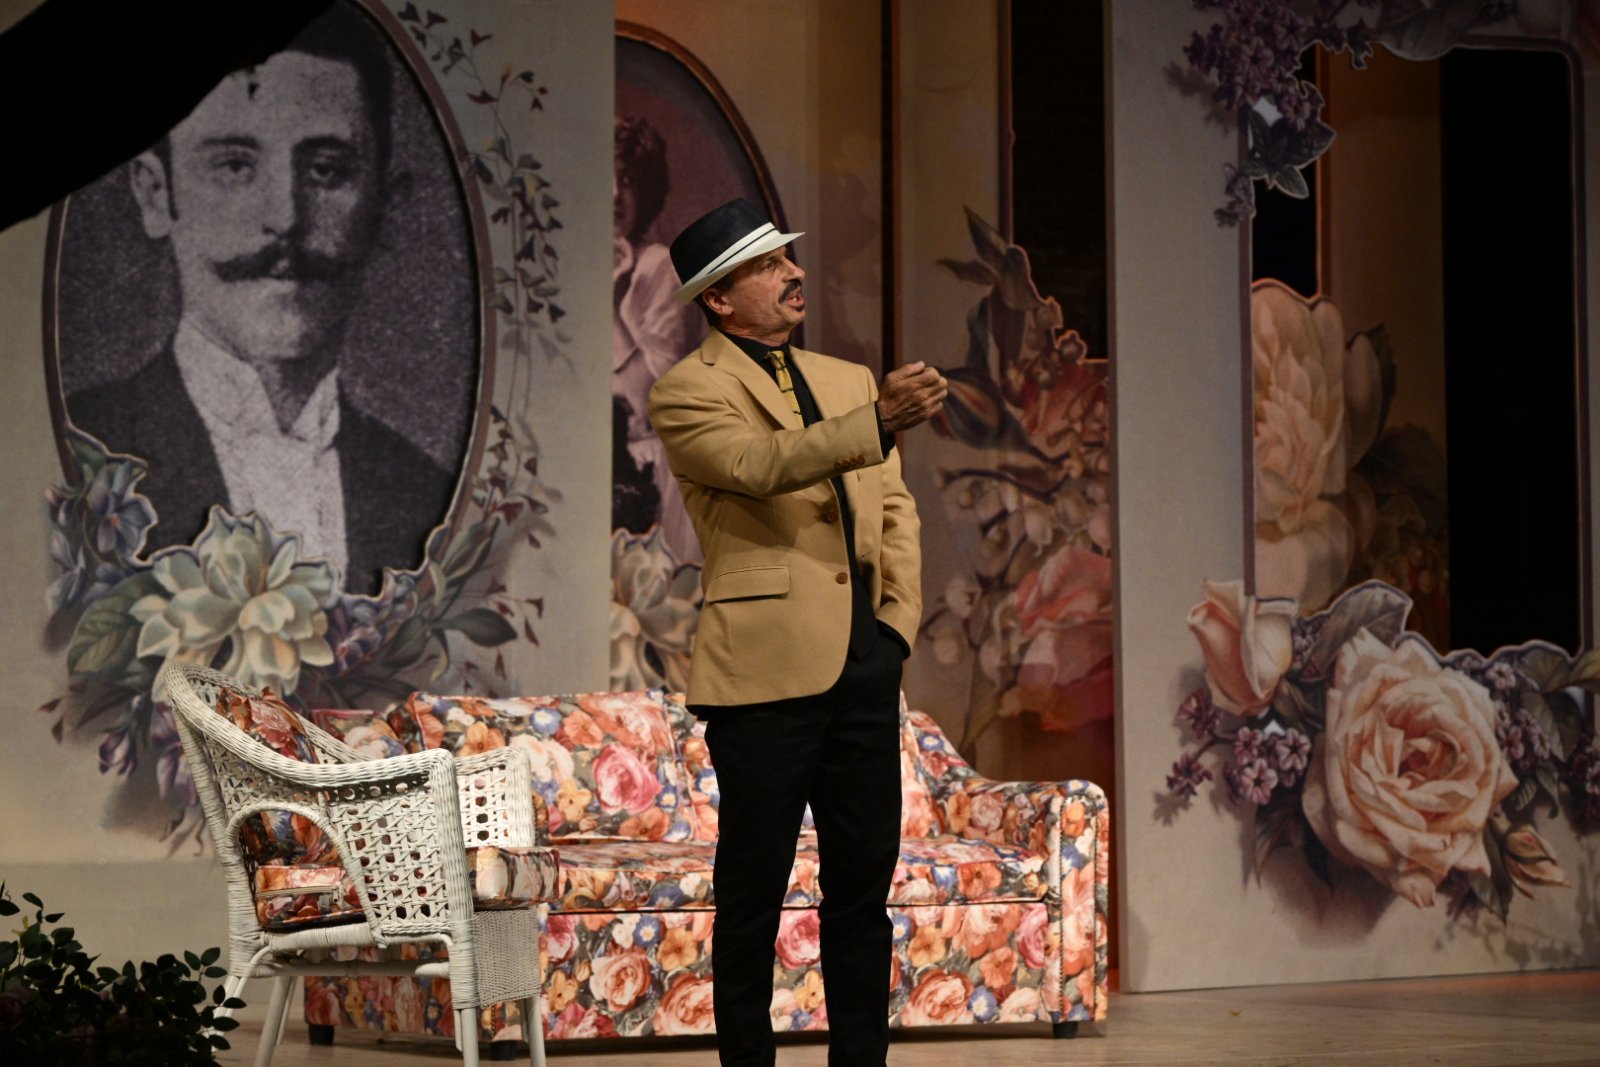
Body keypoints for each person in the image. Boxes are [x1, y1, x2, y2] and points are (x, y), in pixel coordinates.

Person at [648, 198, 947, 1066]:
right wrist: (879, 421)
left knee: (862, 895)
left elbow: (895, 510)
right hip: (764, 676)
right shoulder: (688, 390)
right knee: (753, 895)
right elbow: (760, 466)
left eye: (789, 258)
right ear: (718, 298)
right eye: (768, 266)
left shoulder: (847, 380)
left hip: (863, 668)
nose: (794, 274)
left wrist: (895, 628)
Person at [67, 6, 456, 596]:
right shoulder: (75, 450)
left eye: (326, 171)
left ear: (385, 206)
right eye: (234, 166)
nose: (285, 217)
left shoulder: (426, 494)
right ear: (154, 194)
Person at [613, 115, 704, 561]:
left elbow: (639, 399)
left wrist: (610, 301)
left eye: (628, 180)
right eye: (603, 176)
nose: (614, 193)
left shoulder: (662, 268)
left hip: (645, 472)